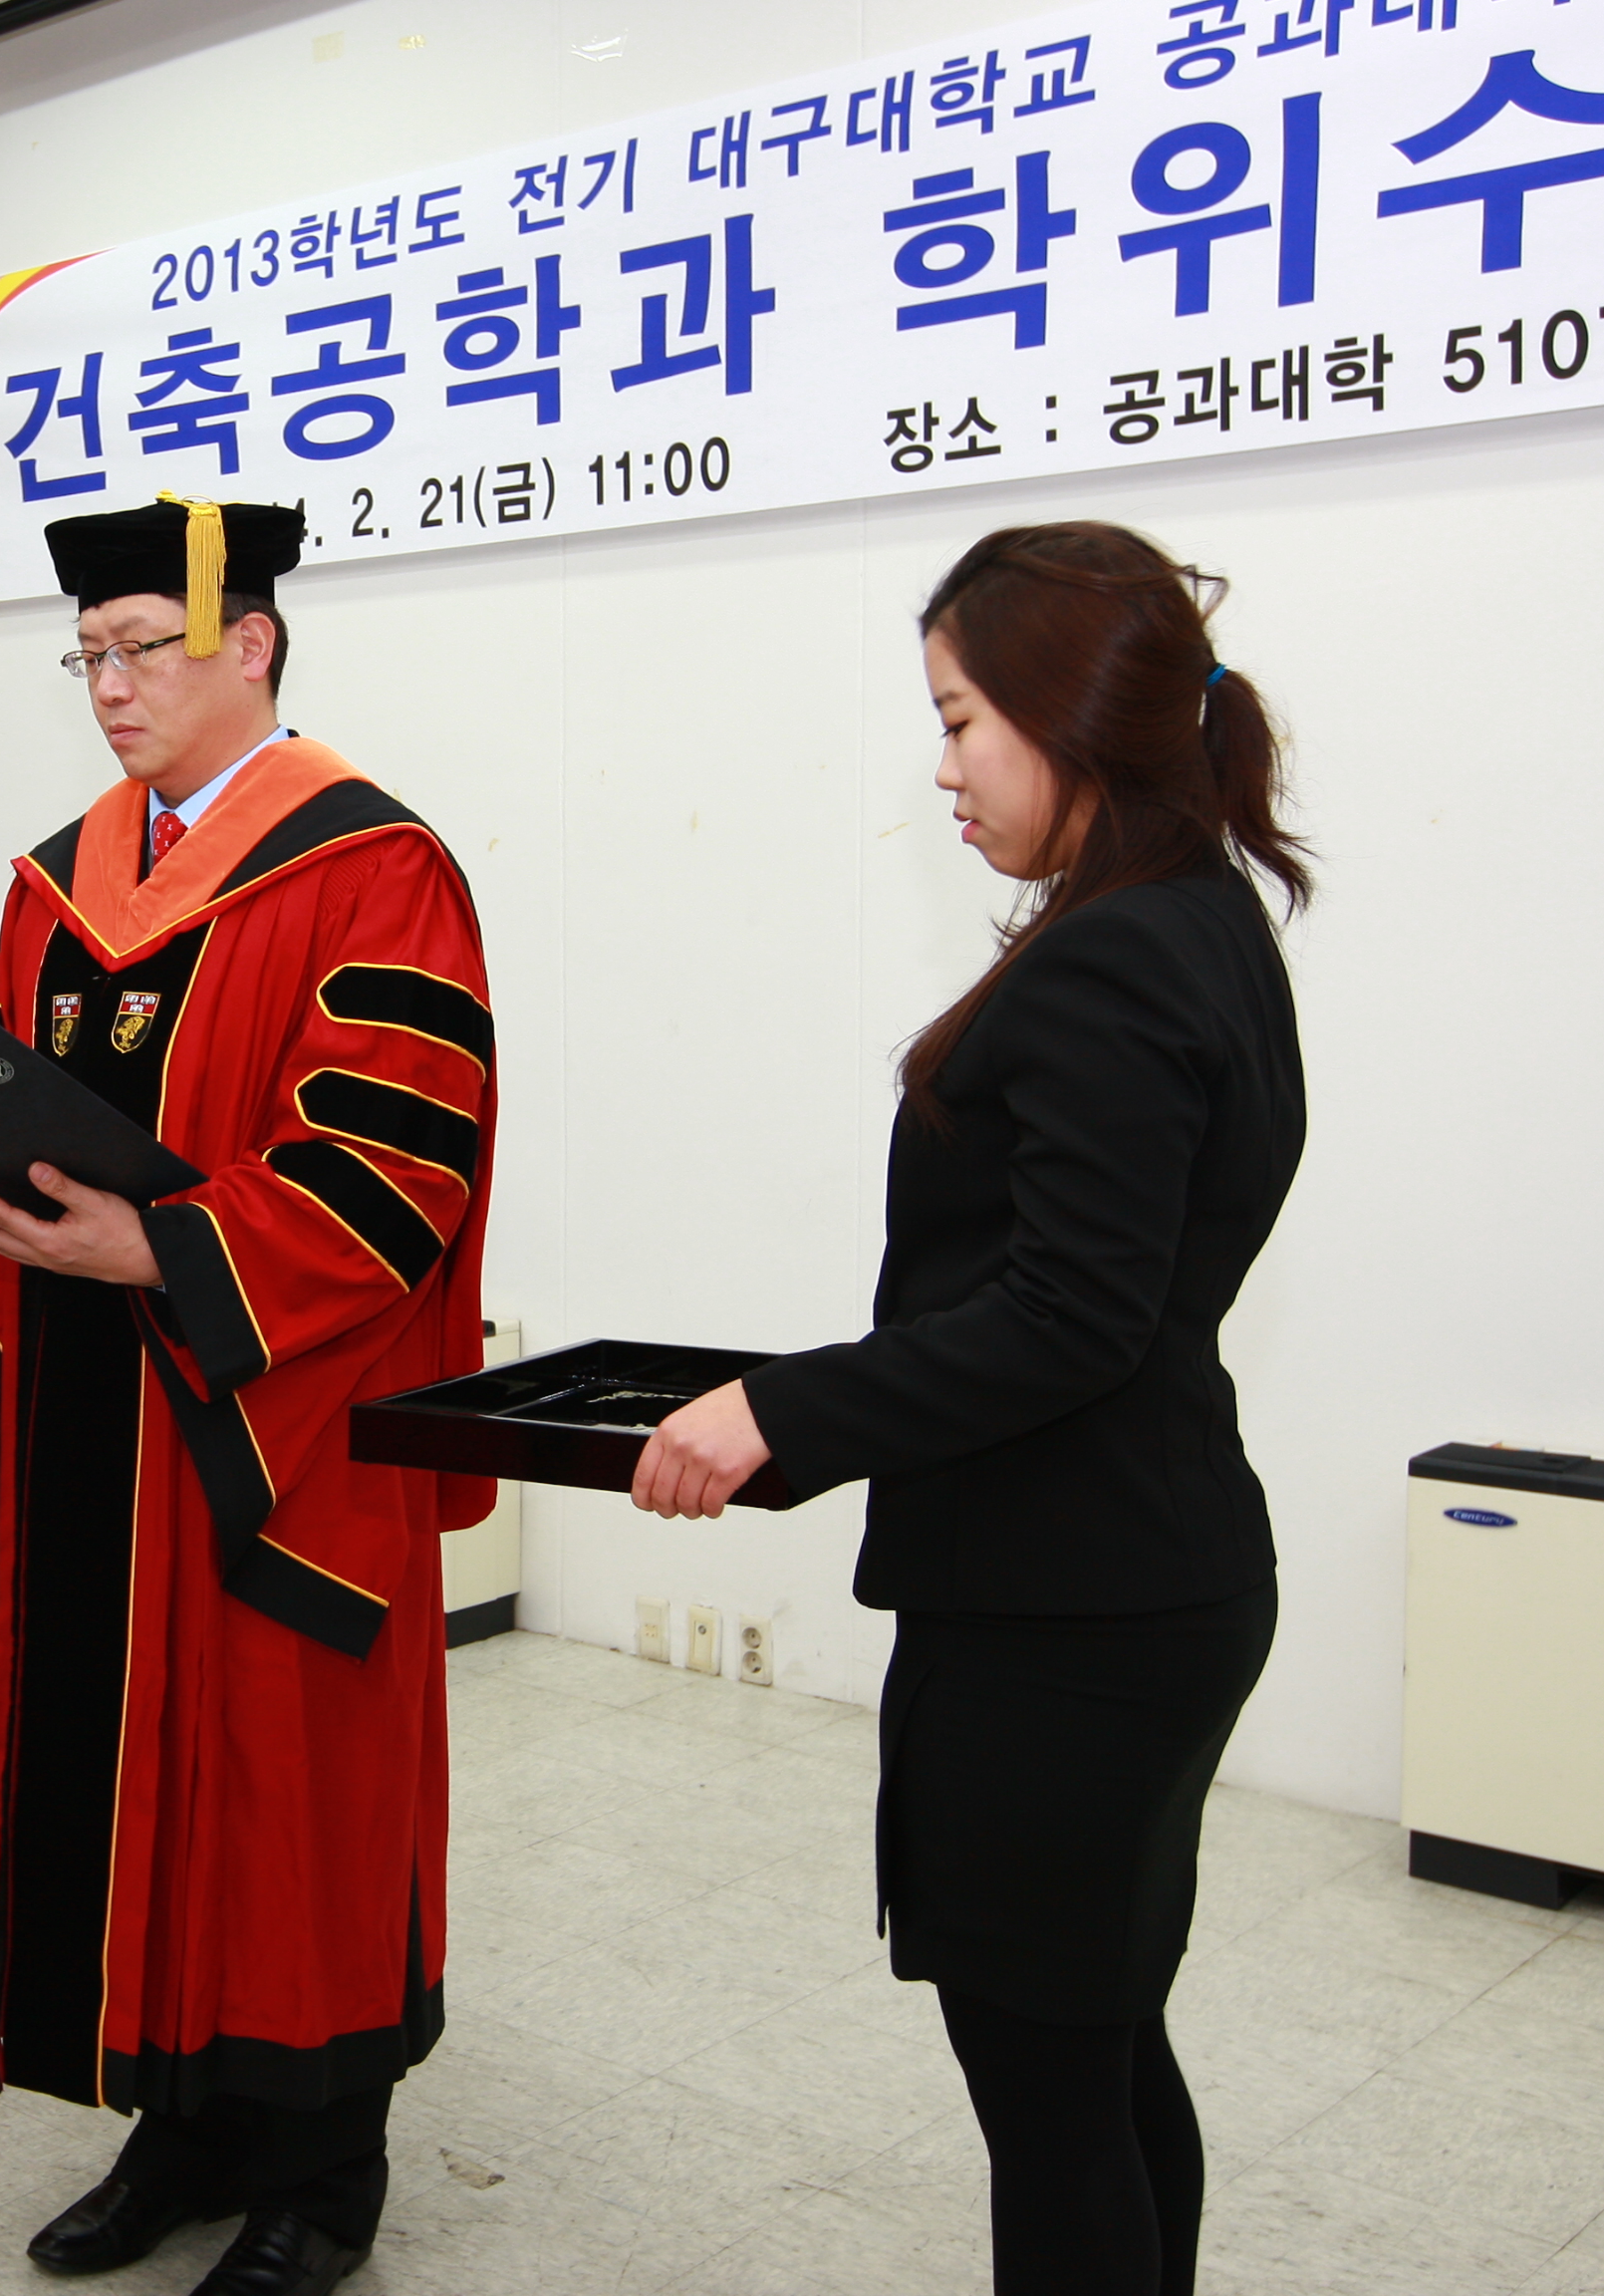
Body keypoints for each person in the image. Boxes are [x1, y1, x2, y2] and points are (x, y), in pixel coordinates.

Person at [0, 497, 495, 2296]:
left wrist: (166, 1247)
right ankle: (178, 2122)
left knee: (282, 1797)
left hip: (277, 1431)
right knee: (135, 1797)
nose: (107, 687)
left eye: (141, 648)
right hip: (94, 1429)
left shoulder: (372, 865)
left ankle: (323, 2168)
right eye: (87, 655)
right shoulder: (60, 885)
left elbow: (395, 1167)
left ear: (249, 643)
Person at [629, 521, 1307, 2296]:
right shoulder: (1200, 918)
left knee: (1053, 2096)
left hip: (1067, 1615)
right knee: (1101, 2048)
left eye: (957, 721)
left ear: (1069, 715)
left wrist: (778, 1412)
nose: (940, 768)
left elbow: (1069, 1314)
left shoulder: (1110, 958)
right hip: (1146, 1573)